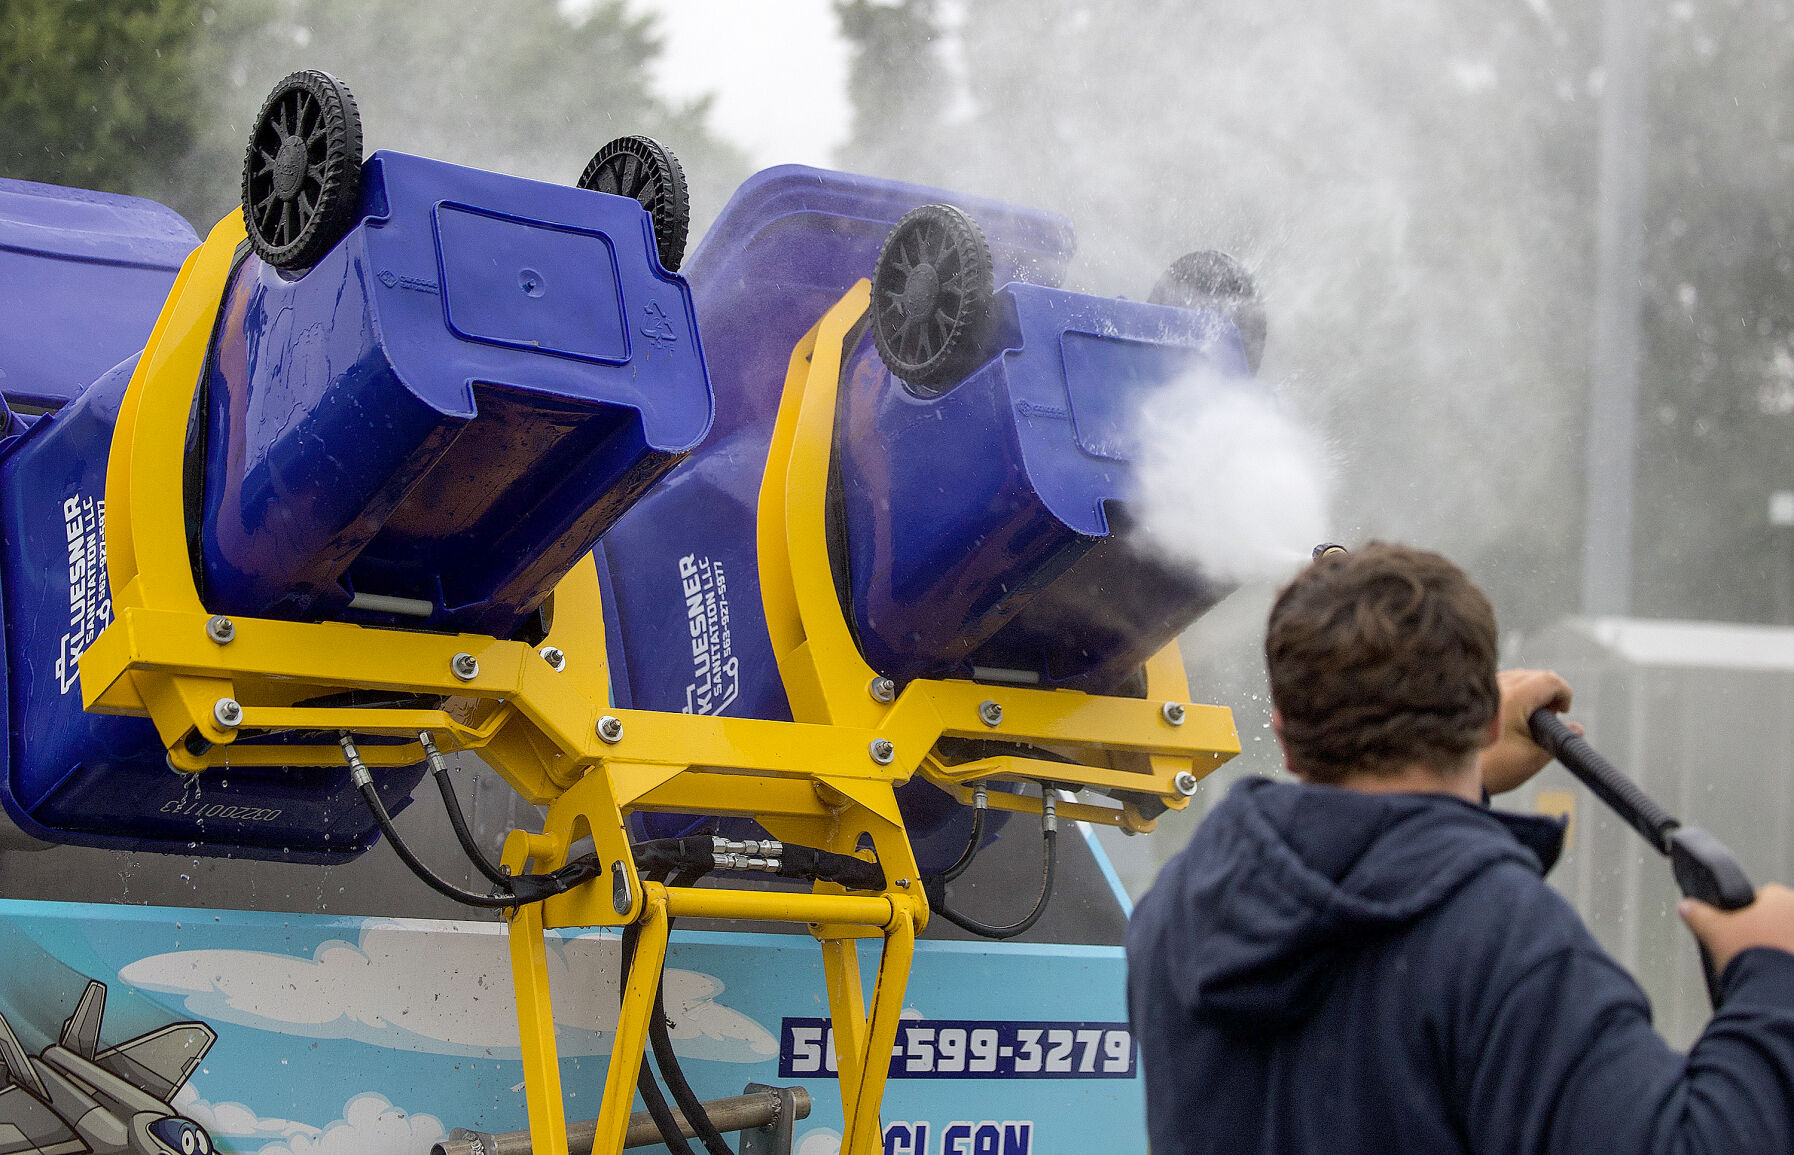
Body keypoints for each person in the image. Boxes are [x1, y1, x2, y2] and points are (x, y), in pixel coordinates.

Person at [1125, 542, 1794, 1153]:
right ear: (1486, 719)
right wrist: (1772, 979)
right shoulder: (1504, 940)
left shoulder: (1174, 914)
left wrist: (1463, 783)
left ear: (1285, 732)